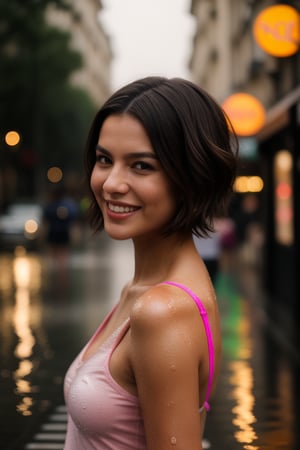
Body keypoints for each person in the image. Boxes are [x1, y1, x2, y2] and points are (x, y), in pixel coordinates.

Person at [63, 76, 238, 450]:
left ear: (190, 177)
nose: (111, 183)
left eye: (141, 166)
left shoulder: (163, 311)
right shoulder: (143, 291)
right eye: (104, 159)